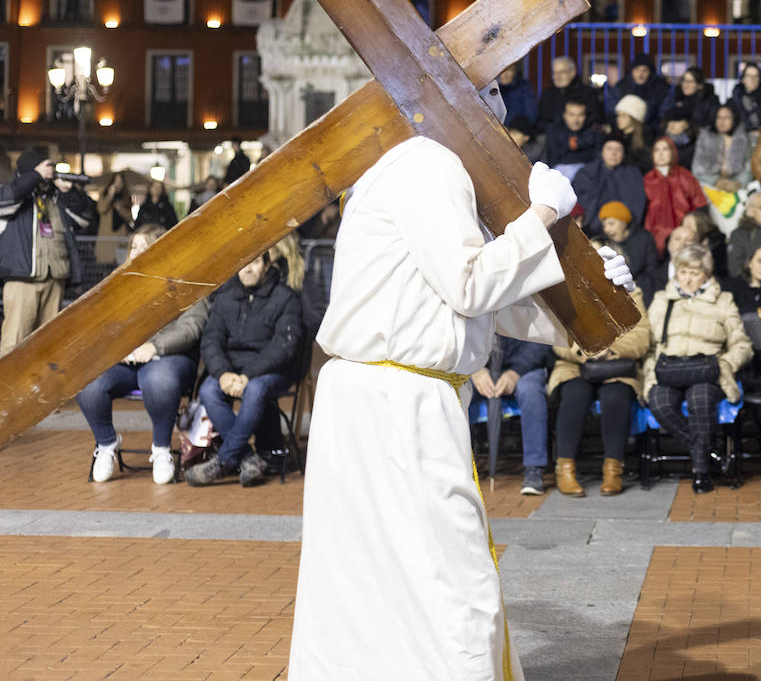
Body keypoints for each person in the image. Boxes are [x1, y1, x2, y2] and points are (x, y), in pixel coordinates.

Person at [288, 107, 634, 678]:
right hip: (397, 401)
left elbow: (469, 303)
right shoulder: (430, 163)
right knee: (457, 584)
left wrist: (588, 302)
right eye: (488, 92)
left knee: (376, 581)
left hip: (389, 395)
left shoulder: (412, 165)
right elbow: (471, 285)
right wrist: (545, 211)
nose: (498, 114)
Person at [78, 223, 207, 484]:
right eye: (133, 246)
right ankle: (106, 444)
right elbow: (101, 325)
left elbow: (192, 327)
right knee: (87, 381)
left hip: (169, 359)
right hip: (125, 361)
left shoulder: (184, 280)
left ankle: (161, 450)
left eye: (143, 246)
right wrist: (119, 347)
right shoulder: (118, 281)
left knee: (157, 379)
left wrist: (154, 347)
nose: (135, 252)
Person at [187, 251, 304, 488]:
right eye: (243, 264)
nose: (247, 269)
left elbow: (285, 346)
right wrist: (222, 373)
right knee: (209, 390)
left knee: (256, 389)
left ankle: (225, 459)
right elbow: (211, 340)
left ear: (268, 264)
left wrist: (247, 375)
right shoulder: (225, 298)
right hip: (230, 370)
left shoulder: (285, 298)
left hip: (271, 370)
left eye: (254, 262)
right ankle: (249, 459)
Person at [644, 243, 753, 494]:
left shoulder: (723, 301)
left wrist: (725, 364)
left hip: (707, 369)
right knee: (659, 402)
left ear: (707, 274)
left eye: (694, 273)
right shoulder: (663, 300)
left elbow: (742, 344)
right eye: (683, 272)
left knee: (700, 399)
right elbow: (649, 345)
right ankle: (711, 454)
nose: (688, 278)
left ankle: (701, 471)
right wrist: (650, 371)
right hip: (669, 369)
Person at [550, 274, 652, 497]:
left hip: (616, 365)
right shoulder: (566, 291)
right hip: (575, 363)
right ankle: (564, 468)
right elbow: (557, 336)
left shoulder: (631, 292)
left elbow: (642, 337)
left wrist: (610, 351)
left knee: (616, 394)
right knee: (575, 392)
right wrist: (586, 350)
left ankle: (613, 469)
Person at [0, 147, 97, 353]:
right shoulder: (16, 195)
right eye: (43, 169)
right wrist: (35, 176)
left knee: (49, 345)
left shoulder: (55, 198)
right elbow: (8, 197)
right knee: (14, 344)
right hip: (22, 281)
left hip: (55, 280)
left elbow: (85, 219)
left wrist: (68, 191)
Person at [470, 336, 551, 495]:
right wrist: (475, 369)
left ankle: (534, 468)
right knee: (456, 390)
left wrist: (515, 372)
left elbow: (542, 339)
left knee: (531, 392)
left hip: (524, 367)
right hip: (477, 367)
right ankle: (458, 464)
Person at [643, 137, 707, 253]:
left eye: (665, 149)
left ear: (672, 152)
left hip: (685, 234)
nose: (661, 154)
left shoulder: (685, 176)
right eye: (657, 150)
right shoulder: (647, 180)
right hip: (656, 235)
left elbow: (700, 203)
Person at [573, 137, 646, 235]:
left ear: (623, 154)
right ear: (602, 151)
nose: (613, 153)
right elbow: (576, 203)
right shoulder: (586, 173)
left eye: (618, 150)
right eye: (609, 149)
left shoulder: (633, 174)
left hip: (623, 231)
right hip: (589, 229)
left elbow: (636, 205)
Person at [692, 103, 751, 190]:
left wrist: (738, 183)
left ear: (734, 119)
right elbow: (696, 170)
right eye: (718, 117)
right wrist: (716, 181)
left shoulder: (744, 139)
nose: (722, 121)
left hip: (737, 186)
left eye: (727, 118)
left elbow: (748, 168)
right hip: (709, 185)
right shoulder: (705, 138)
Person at [537, 55, 603, 129]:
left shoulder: (588, 93)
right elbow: (541, 120)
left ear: (573, 73)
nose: (558, 76)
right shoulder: (547, 94)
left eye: (562, 72)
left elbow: (595, 118)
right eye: (555, 72)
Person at [543, 96, 602, 177]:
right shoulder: (554, 130)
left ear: (586, 116)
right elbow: (553, 159)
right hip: (559, 174)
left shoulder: (594, 130)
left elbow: (597, 160)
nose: (576, 120)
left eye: (580, 115)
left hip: (588, 175)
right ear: (564, 115)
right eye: (571, 115)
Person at [610, 53, 670, 129]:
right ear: (632, 71)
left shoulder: (660, 88)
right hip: (625, 130)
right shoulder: (621, 87)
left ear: (650, 72)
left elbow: (664, 113)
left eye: (645, 70)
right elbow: (612, 111)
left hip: (651, 130)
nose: (641, 74)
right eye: (637, 69)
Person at [660, 65, 720, 131]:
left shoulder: (710, 101)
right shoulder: (676, 97)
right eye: (684, 80)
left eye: (690, 82)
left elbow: (712, 124)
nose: (685, 85)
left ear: (699, 85)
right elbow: (663, 115)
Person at [611, 95, 654, 171]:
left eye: (624, 116)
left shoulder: (646, 137)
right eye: (618, 115)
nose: (619, 119)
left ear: (634, 118)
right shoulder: (615, 136)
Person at [729, 62, 761, 132]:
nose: (752, 79)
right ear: (743, 79)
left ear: (760, 79)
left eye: (756, 76)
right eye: (749, 76)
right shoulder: (733, 102)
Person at [496, 63, 537, 128]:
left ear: (514, 71)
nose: (505, 74)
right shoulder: (491, 89)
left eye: (509, 70)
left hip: (517, 132)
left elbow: (531, 113)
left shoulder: (524, 87)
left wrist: (517, 130)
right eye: (502, 70)